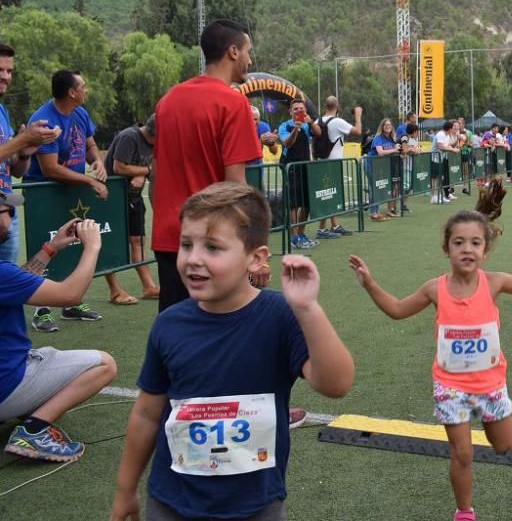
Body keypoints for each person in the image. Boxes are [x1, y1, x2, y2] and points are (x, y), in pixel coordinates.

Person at [348, 179, 512, 521]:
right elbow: (397, 309)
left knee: (504, 444)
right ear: (446, 249)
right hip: (450, 386)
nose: (467, 249)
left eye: (475, 243)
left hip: (490, 385)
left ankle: (487, 419)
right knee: (463, 454)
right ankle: (464, 511)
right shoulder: (434, 289)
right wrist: (370, 283)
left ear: (485, 250)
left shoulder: (494, 282)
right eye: (458, 242)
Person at [109, 182, 354, 521]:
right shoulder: (169, 325)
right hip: (170, 503)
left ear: (256, 259)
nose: (193, 259)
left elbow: (337, 383)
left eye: (212, 247)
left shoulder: (280, 316)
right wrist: (125, 490)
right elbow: (147, 413)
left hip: (256, 506)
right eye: (186, 244)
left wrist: (308, 309)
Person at [152, 19, 265, 315]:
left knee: (174, 324)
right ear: (233, 52)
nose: (250, 59)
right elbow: (235, 187)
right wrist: (253, 251)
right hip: (212, 240)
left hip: (169, 237)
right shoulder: (233, 103)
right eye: (247, 51)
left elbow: (156, 172)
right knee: (215, 330)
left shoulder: (167, 101)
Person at [0, 193, 117, 462]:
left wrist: (51, 248)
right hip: (5, 385)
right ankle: (32, 431)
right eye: (8, 211)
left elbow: (16, 284)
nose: (11, 218)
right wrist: (92, 247)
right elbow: (69, 295)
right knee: (104, 364)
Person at [22, 69, 108, 328]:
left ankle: (71, 303)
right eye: (83, 86)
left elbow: (90, 143)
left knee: (72, 242)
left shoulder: (80, 113)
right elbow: (50, 169)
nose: (86, 89)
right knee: (45, 244)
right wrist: (90, 180)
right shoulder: (44, 119)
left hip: (71, 190)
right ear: (72, 92)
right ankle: (42, 310)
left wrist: (97, 162)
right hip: (44, 193)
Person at [0, 43, 61, 267]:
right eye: (0, 71)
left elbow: (13, 169)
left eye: (9, 71)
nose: (6, 77)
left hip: (7, 210)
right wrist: (23, 139)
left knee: (7, 289)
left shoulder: (2, 111)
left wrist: (25, 154)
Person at [103, 115, 159, 304]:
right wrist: (145, 171)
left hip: (134, 197)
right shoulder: (129, 136)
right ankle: (114, 291)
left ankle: (149, 286)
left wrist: (143, 174)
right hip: (112, 197)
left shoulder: (155, 143)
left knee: (138, 240)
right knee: (109, 243)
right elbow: (118, 167)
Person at [315, 96, 362, 239]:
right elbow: (358, 131)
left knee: (329, 194)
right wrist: (358, 115)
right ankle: (321, 229)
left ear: (325, 105)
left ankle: (334, 225)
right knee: (328, 195)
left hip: (321, 161)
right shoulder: (337, 121)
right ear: (338, 106)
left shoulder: (318, 121)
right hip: (333, 163)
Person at [278, 99, 320, 248]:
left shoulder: (308, 124)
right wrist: (296, 128)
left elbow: (318, 133)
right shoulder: (284, 126)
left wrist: (310, 123)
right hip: (290, 166)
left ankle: (301, 233)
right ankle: (294, 237)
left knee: (307, 202)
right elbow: (287, 143)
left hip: (304, 165)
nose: (298, 111)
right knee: (293, 204)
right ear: (290, 111)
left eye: (301, 108)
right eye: (295, 109)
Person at [367, 117, 402, 221]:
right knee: (374, 187)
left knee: (378, 187)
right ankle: (373, 213)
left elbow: (393, 151)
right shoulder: (378, 137)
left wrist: (398, 149)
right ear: (382, 127)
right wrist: (394, 149)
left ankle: (376, 212)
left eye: (389, 125)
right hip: (371, 163)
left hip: (380, 166)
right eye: (385, 125)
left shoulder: (391, 139)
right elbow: (380, 152)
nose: (388, 126)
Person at [432, 120, 459, 204]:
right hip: (435, 159)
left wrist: (453, 147)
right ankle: (434, 197)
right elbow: (441, 147)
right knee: (435, 179)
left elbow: (448, 146)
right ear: (449, 129)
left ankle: (440, 195)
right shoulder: (440, 134)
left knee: (440, 179)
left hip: (441, 159)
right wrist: (453, 150)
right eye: (452, 128)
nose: (453, 130)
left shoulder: (447, 135)